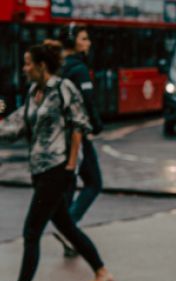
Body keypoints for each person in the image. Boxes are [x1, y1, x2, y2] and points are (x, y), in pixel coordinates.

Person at [0, 42, 114, 281]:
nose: (25, 69)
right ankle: (102, 272)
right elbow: (18, 125)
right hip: (39, 171)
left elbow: (79, 123)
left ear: (42, 66)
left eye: (28, 63)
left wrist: (70, 165)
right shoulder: (33, 92)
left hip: (57, 170)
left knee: (31, 231)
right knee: (65, 225)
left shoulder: (63, 88)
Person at [56, 23, 104, 257]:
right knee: (94, 182)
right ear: (74, 42)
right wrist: (97, 125)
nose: (89, 43)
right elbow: (88, 101)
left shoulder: (58, 67)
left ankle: (68, 235)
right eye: (84, 39)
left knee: (70, 183)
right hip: (79, 134)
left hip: (60, 135)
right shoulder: (79, 69)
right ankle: (69, 228)